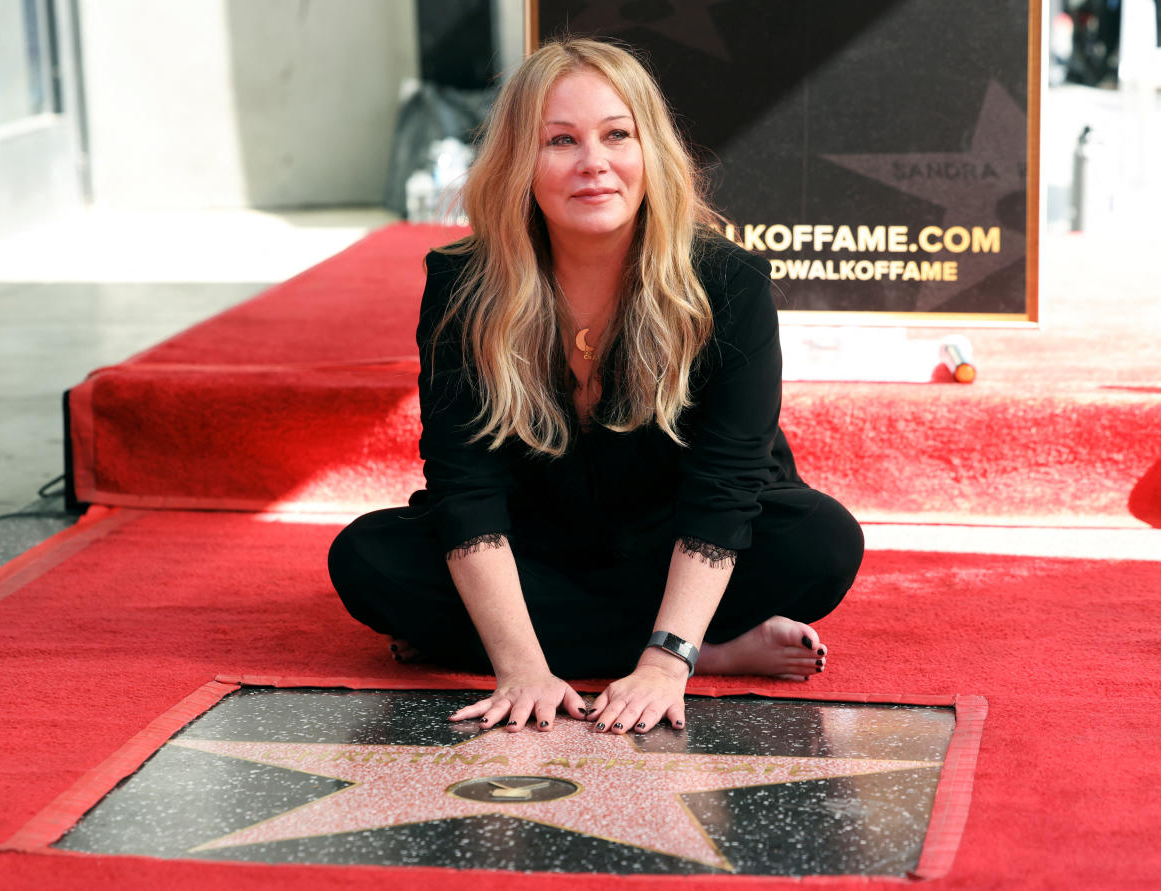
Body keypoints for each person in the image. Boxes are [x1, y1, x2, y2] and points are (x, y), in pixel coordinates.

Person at [328, 38, 863, 737]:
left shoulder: (728, 283)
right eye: (560, 141)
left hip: (679, 532)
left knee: (823, 544)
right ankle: (714, 647)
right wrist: (518, 667)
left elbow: (725, 488)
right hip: (538, 540)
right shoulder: (464, 286)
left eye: (617, 135)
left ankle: (657, 644)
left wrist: (666, 664)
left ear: (652, 151)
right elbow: (466, 485)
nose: (594, 163)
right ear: (520, 161)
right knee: (367, 560)